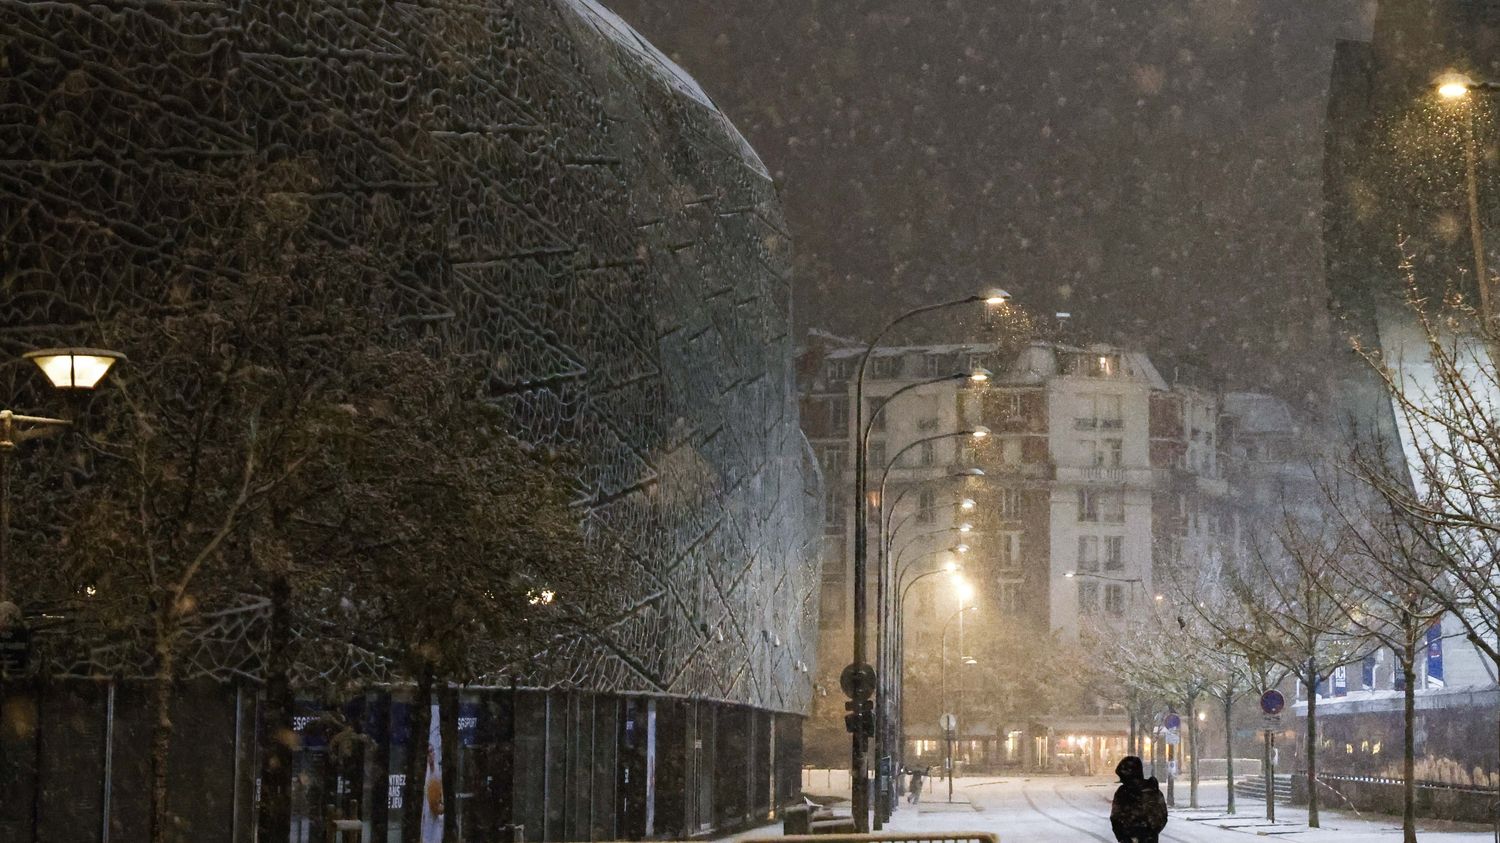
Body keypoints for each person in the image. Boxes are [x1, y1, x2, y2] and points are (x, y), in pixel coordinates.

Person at [1110, 755, 1167, 843]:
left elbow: (1115, 817)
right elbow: (1162, 816)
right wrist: (1151, 832)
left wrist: (1123, 836)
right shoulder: (1152, 790)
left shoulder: (1123, 792)